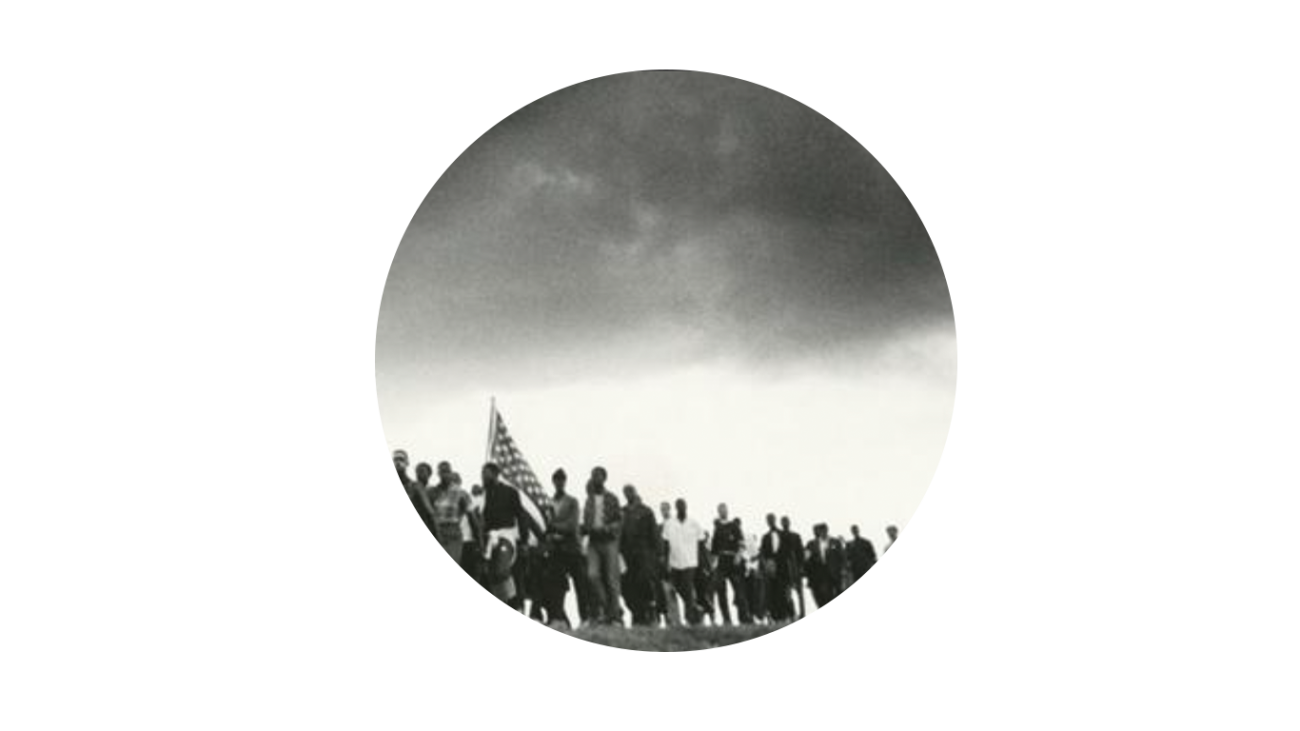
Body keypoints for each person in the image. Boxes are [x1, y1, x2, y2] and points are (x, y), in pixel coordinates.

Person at [479, 461, 540, 629]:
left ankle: (514, 604)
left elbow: (521, 515)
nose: (482, 476)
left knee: (501, 571)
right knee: (491, 579)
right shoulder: (484, 495)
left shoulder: (509, 492)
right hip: (488, 540)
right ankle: (506, 615)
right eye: (481, 473)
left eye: (485, 473)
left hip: (506, 536)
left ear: (495, 473)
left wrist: (525, 541)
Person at [426, 463, 473, 628]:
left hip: (453, 533)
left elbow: (472, 517)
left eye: (447, 471)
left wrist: (479, 541)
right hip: (435, 533)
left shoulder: (460, 493)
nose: (445, 474)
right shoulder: (432, 492)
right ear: (438, 473)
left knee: (451, 571)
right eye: (442, 471)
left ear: (451, 473)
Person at [582, 467, 624, 626]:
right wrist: (586, 528)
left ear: (604, 478)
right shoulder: (589, 500)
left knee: (612, 580)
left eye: (597, 476)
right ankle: (608, 609)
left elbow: (620, 520)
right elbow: (586, 520)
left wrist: (608, 528)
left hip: (609, 541)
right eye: (592, 476)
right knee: (592, 575)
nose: (594, 478)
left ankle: (615, 618)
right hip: (594, 541)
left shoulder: (612, 498)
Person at [544, 468, 584, 629]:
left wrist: (552, 526)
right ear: (553, 482)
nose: (559, 482)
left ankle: (586, 618)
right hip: (556, 549)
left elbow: (571, 525)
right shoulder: (549, 502)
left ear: (565, 482)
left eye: (562, 479)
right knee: (557, 587)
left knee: (580, 585)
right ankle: (559, 619)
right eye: (557, 479)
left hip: (572, 548)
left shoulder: (572, 501)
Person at [619, 484, 660, 626]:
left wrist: (656, 556)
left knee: (645, 584)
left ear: (635, 492)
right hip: (627, 554)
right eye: (625, 492)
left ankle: (650, 615)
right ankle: (638, 615)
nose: (628, 494)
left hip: (644, 553)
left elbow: (654, 535)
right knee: (628, 586)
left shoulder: (646, 511)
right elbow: (619, 534)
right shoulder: (622, 512)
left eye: (630, 491)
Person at [662, 498, 706, 626]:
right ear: (676, 508)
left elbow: (701, 544)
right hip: (675, 562)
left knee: (687, 588)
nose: (681, 508)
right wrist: (665, 562)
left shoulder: (694, 523)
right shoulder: (669, 524)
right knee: (677, 588)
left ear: (686, 507)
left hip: (690, 562)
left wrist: (703, 564)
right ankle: (697, 611)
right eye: (678, 506)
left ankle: (690, 618)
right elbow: (665, 544)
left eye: (683, 506)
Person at [711, 504, 752, 625]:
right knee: (720, 590)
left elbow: (742, 544)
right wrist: (713, 565)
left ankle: (745, 617)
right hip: (722, 561)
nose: (722, 512)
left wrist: (738, 555)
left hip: (734, 560)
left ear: (727, 511)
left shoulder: (734, 525)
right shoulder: (717, 528)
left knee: (739, 590)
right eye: (720, 510)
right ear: (718, 512)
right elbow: (714, 549)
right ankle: (726, 619)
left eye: (724, 509)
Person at [805, 523, 846, 612]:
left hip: (835, 573)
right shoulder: (812, 544)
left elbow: (842, 557)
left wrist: (843, 570)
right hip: (821, 575)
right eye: (821, 530)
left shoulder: (835, 542)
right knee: (825, 597)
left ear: (827, 530)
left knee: (839, 597)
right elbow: (806, 558)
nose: (823, 532)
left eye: (824, 530)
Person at [655, 501, 683, 627]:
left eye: (666, 508)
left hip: (677, 562)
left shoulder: (676, 525)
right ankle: (671, 620)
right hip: (664, 564)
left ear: (670, 509)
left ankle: (682, 619)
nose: (664, 511)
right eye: (662, 509)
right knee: (666, 592)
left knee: (680, 591)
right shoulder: (659, 527)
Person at [761, 513, 790, 622]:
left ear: (775, 520)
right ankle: (775, 617)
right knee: (772, 592)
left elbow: (788, 551)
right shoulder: (765, 537)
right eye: (768, 520)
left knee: (782, 592)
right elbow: (763, 553)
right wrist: (767, 565)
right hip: (771, 568)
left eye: (771, 519)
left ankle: (784, 616)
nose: (770, 521)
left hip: (782, 567)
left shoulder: (783, 534)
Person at [847, 525, 880, 613]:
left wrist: (876, 573)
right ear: (851, 532)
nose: (854, 531)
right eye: (853, 530)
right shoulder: (849, 544)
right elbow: (847, 559)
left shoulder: (866, 542)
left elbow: (873, 558)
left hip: (867, 572)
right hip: (855, 574)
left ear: (858, 530)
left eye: (856, 529)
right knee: (858, 595)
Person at [780, 516, 806, 621]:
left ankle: (802, 614)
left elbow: (801, 553)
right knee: (787, 593)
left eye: (787, 521)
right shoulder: (779, 536)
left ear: (789, 523)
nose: (785, 523)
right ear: (781, 523)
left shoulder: (796, 536)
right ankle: (791, 613)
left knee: (799, 593)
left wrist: (801, 568)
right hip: (785, 568)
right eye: (783, 522)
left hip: (795, 567)